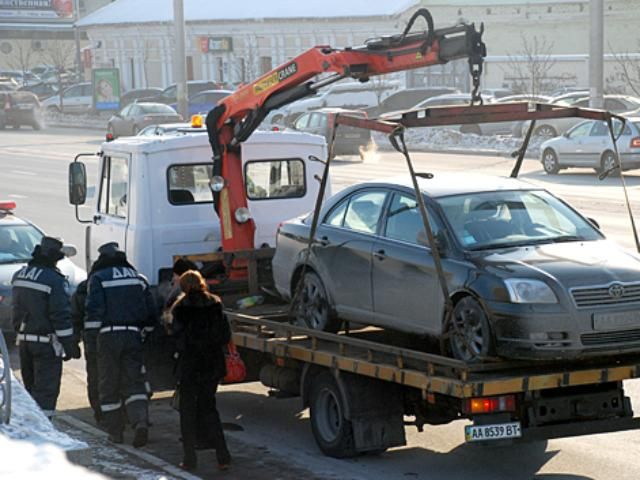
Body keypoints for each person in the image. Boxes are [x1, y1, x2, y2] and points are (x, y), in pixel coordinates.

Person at [86, 242, 156, 446]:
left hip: (108, 337)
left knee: (109, 385)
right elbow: (150, 311)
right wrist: (147, 332)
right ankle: (140, 422)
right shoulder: (138, 278)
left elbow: (93, 312)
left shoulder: (98, 278)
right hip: (133, 335)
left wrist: (91, 341)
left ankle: (115, 432)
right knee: (135, 382)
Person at [11, 236, 81, 418]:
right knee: (46, 391)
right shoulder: (54, 280)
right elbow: (60, 316)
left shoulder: (19, 275)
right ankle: (45, 431)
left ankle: (31, 427)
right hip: (46, 345)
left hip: (24, 342)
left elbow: (15, 310)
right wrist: (69, 344)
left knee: (30, 388)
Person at [169, 270, 231, 471]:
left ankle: (189, 459)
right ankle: (223, 457)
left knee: (187, 412)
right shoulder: (215, 304)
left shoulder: (181, 309)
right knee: (209, 409)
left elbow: (177, 339)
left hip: (190, 366)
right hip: (211, 365)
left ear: (184, 287)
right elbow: (225, 335)